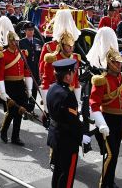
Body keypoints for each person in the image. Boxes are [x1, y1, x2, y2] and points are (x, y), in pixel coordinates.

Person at [88, 27, 122, 188]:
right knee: (111, 153)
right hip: (107, 120)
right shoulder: (101, 80)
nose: (118, 65)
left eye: (119, 62)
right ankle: (104, 183)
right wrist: (101, 124)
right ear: (109, 63)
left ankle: (109, 179)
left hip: (119, 120)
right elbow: (94, 105)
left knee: (115, 153)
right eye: (115, 62)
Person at [46, 59, 84, 188]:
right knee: (66, 176)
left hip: (55, 136)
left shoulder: (52, 88)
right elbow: (72, 122)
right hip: (67, 140)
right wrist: (83, 134)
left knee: (58, 171)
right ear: (67, 76)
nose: (74, 75)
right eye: (73, 72)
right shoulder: (67, 95)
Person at [0, 17, 31, 146]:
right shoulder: (2, 55)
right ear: (8, 42)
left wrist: (29, 88)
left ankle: (16, 137)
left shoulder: (22, 53)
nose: (15, 43)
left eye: (16, 41)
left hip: (20, 85)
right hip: (9, 85)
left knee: (20, 110)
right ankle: (4, 131)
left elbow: (26, 71)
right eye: (12, 41)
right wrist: (2, 91)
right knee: (12, 111)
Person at [18, 22, 42, 112]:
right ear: (25, 31)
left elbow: (40, 56)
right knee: (26, 89)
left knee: (35, 89)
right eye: (29, 30)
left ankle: (31, 109)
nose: (31, 32)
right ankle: (25, 108)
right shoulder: (21, 42)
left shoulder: (37, 41)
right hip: (25, 69)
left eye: (32, 30)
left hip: (35, 69)